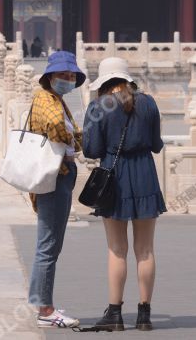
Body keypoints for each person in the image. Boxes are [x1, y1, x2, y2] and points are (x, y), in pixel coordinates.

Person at [83, 57, 166, 332]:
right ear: (127, 79)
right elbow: (156, 145)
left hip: (114, 175)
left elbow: (91, 150)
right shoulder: (149, 103)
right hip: (144, 173)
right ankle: (144, 315)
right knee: (146, 249)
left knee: (117, 249)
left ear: (104, 82)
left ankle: (115, 314)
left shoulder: (98, 106)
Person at [27, 51, 85, 329]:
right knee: (48, 245)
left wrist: (79, 141)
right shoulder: (45, 98)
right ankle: (46, 310)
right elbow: (53, 125)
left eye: (72, 76)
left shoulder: (57, 99)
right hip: (54, 177)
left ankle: (44, 302)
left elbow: (71, 130)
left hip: (59, 174)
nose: (68, 79)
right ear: (50, 77)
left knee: (51, 244)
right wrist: (71, 141)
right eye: (64, 75)